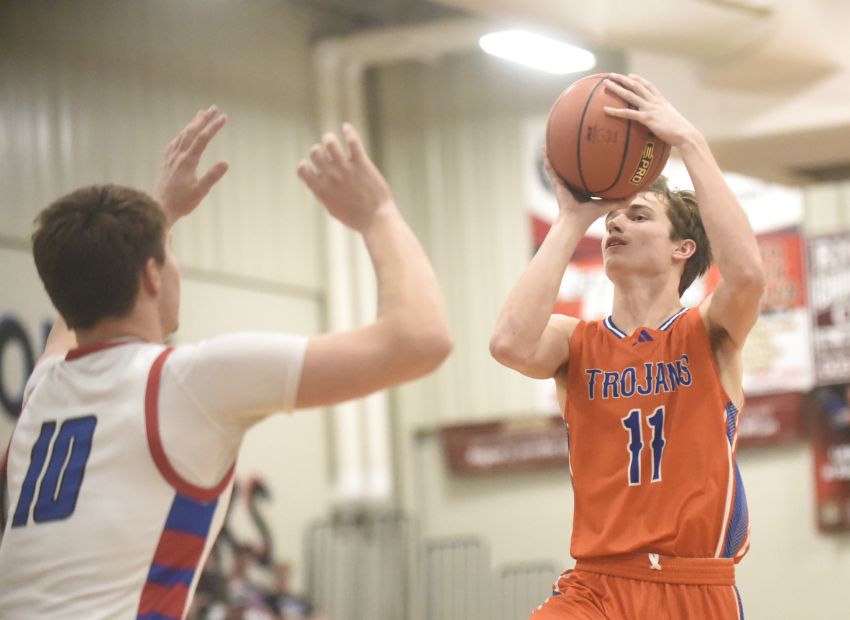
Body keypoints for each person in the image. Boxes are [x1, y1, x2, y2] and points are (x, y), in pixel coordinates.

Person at [0, 106, 452, 618]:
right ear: (152, 275)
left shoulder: (42, 389)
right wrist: (379, 214)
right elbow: (422, 339)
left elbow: (76, 296)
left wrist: (160, 213)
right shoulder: (184, 383)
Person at [490, 73, 765, 619]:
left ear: (682, 249)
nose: (615, 226)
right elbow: (509, 344)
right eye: (612, 219)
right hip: (598, 587)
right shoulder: (578, 345)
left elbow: (749, 275)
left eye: (637, 217)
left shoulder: (709, 333)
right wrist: (573, 219)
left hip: (697, 588)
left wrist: (689, 142)